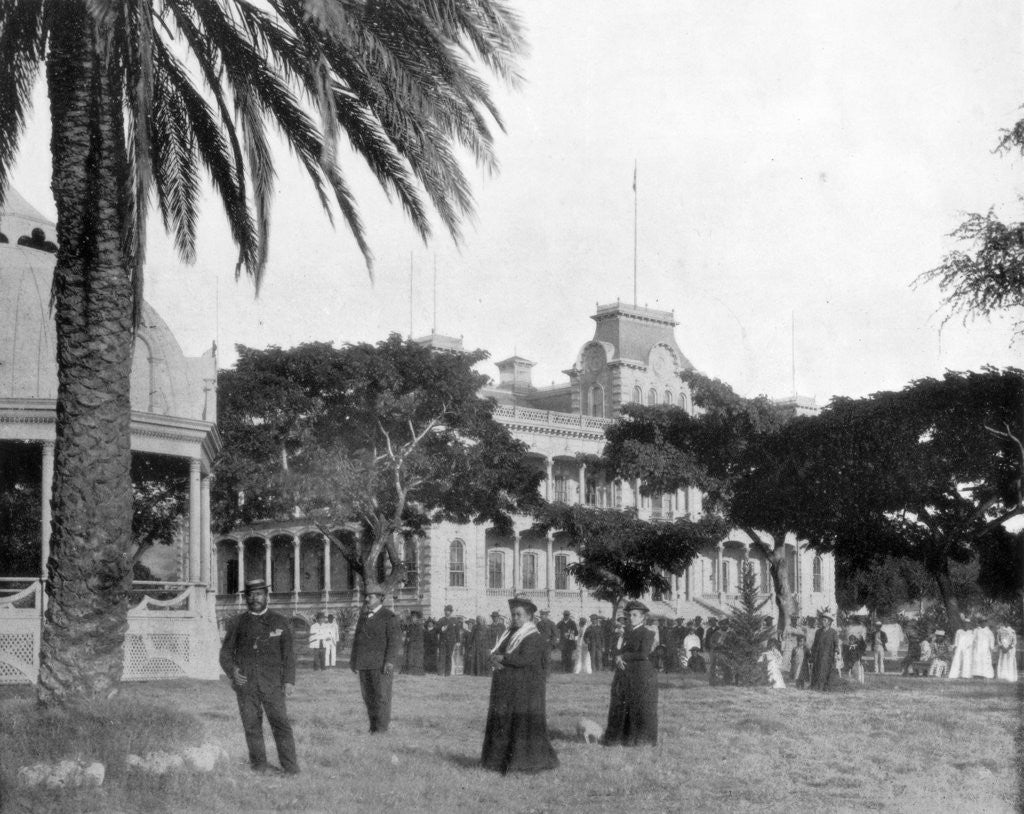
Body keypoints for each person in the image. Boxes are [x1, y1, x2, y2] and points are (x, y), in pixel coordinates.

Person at [218, 579, 299, 774]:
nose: (255, 598)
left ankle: (290, 768)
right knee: (252, 726)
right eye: (251, 595)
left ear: (267, 596)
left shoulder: (280, 621)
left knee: (281, 725)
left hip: (273, 685)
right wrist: (233, 672)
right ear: (246, 598)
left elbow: (289, 655)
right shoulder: (237, 623)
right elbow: (225, 654)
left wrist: (288, 681)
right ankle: (259, 765)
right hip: (246, 685)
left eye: (259, 594)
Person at [480, 596, 559, 774]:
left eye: (519, 615)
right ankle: (497, 761)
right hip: (510, 687)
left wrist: (503, 659)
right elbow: (499, 651)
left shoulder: (533, 636)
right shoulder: (510, 633)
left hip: (527, 690)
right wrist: (494, 659)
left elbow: (523, 659)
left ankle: (524, 762)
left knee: (521, 725)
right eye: (513, 614)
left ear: (529, 617)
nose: (515, 618)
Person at [603, 600, 658, 747]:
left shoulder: (647, 633)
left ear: (642, 618)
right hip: (624, 674)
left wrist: (623, 657)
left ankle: (641, 739)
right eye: (630, 615)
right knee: (621, 705)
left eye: (635, 615)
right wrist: (617, 657)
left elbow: (643, 654)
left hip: (640, 675)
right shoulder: (625, 633)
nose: (631, 618)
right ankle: (621, 737)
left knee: (638, 706)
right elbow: (617, 650)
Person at [350, 583, 401, 733]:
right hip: (364, 664)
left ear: (380, 598)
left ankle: (381, 729)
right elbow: (357, 640)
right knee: (368, 697)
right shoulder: (364, 616)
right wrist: (354, 660)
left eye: (370, 597)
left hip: (381, 665)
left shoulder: (389, 616)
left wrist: (390, 661)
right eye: (366, 596)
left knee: (381, 697)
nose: (366, 599)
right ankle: (373, 728)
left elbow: (394, 641)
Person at [809, 613, 838, 691]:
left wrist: (835, 654)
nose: (822, 621)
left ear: (829, 622)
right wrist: (812, 654)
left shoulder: (833, 632)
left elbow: (836, 644)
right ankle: (816, 686)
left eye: (825, 620)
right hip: (818, 655)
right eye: (822, 620)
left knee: (826, 670)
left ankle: (825, 687)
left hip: (828, 655)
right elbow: (815, 644)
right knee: (817, 669)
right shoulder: (818, 632)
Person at [437, 605, 461, 677]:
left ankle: (447, 673)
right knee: (441, 657)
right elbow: (437, 630)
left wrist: (458, 641)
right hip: (443, 641)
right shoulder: (441, 620)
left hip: (451, 642)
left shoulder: (454, 621)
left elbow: (457, 631)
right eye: (445, 610)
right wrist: (441, 629)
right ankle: (441, 673)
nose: (446, 612)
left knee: (448, 657)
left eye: (448, 611)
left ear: (451, 612)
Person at [402, 611, 425, 676]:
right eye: (412, 617)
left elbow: (419, 637)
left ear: (417, 618)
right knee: (409, 657)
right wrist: (406, 639)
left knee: (416, 658)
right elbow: (407, 634)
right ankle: (409, 671)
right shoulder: (410, 626)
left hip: (417, 645)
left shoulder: (419, 626)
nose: (413, 619)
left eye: (414, 617)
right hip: (410, 645)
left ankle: (416, 672)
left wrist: (410, 639)